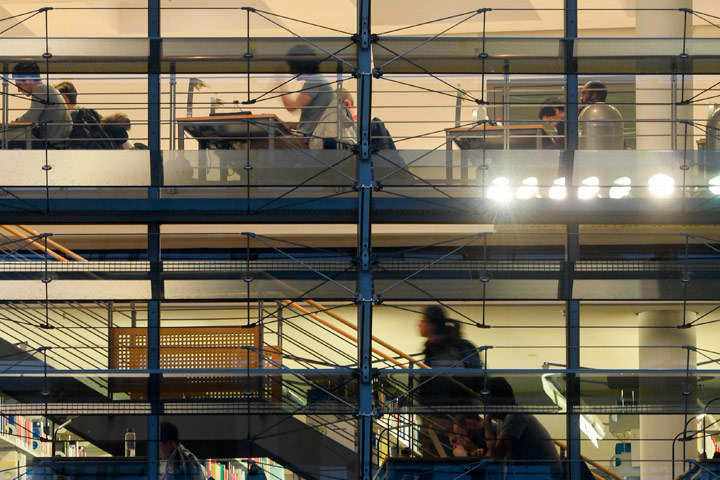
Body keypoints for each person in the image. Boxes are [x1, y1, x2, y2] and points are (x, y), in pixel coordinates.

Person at [416, 305, 482, 456]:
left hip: (447, 423)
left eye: (422, 320)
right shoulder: (440, 347)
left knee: (442, 462)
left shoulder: (440, 350)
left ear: (432, 324)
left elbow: (443, 385)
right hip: (449, 420)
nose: (419, 324)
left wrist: (441, 418)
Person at [483, 377, 562, 479]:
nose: (487, 406)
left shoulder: (515, 416)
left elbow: (497, 454)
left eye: (488, 401)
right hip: (536, 473)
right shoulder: (506, 421)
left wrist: (487, 422)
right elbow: (495, 452)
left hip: (540, 475)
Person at [11, 61, 72, 149]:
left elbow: (29, 119)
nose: (18, 90)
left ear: (27, 79)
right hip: (58, 142)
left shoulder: (40, 89)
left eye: (18, 85)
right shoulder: (48, 89)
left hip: (51, 146)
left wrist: (11, 125)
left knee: (8, 141)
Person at [281, 45, 336, 138]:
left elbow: (292, 107)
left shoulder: (314, 80)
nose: (290, 71)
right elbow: (314, 121)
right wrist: (293, 125)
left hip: (313, 140)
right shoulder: (318, 80)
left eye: (292, 66)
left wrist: (280, 86)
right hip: (315, 136)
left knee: (264, 143)